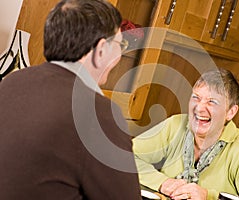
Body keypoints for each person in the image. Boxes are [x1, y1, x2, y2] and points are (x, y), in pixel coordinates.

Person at [0, 0, 141, 199]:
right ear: (101, 50)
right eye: (120, 44)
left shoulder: (13, 81)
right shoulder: (98, 112)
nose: (119, 55)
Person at [133, 68, 239, 200]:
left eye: (212, 102)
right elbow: (125, 155)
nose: (199, 108)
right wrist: (162, 182)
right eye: (196, 97)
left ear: (230, 112)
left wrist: (209, 196)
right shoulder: (175, 125)